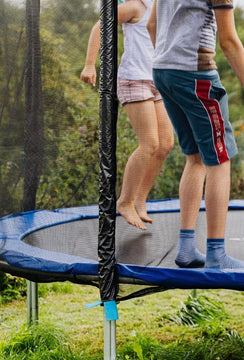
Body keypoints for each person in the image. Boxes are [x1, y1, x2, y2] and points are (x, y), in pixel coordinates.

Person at [147, 0, 244, 269]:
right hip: (195, 74)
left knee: (195, 157)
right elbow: (229, 41)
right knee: (220, 159)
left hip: (162, 70)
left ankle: (185, 249)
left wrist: (169, 54)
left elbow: (151, 25)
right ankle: (216, 254)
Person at [80, 0, 174, 231]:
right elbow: (99, 27)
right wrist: (90, 65)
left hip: (157, 80)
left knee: (165, 145)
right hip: (134, 79)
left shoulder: (162, 6)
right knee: (149, 144)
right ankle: (125, 201)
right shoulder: (134, 6)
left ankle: (140, 199)